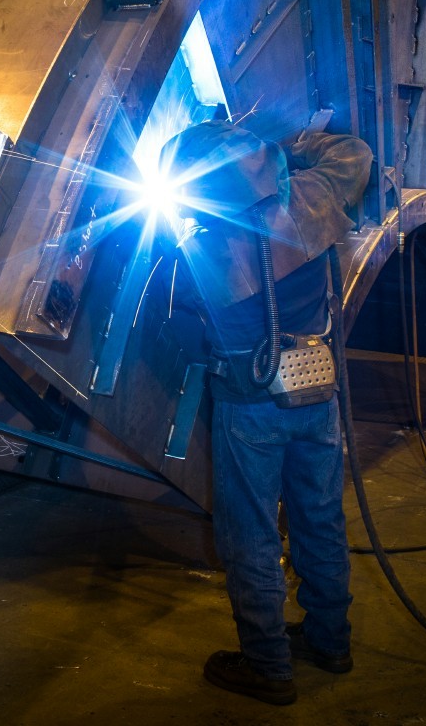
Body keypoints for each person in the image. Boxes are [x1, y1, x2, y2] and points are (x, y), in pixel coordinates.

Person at [158, 113, 372, 706]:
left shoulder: (197, 251)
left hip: (250, 407)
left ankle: (268, 664)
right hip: (318, 395)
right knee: (320, 518)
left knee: (250, 535)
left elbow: (186, 336)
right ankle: (331, 641)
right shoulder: (313, 198)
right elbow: (353, 153)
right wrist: (281, 150)